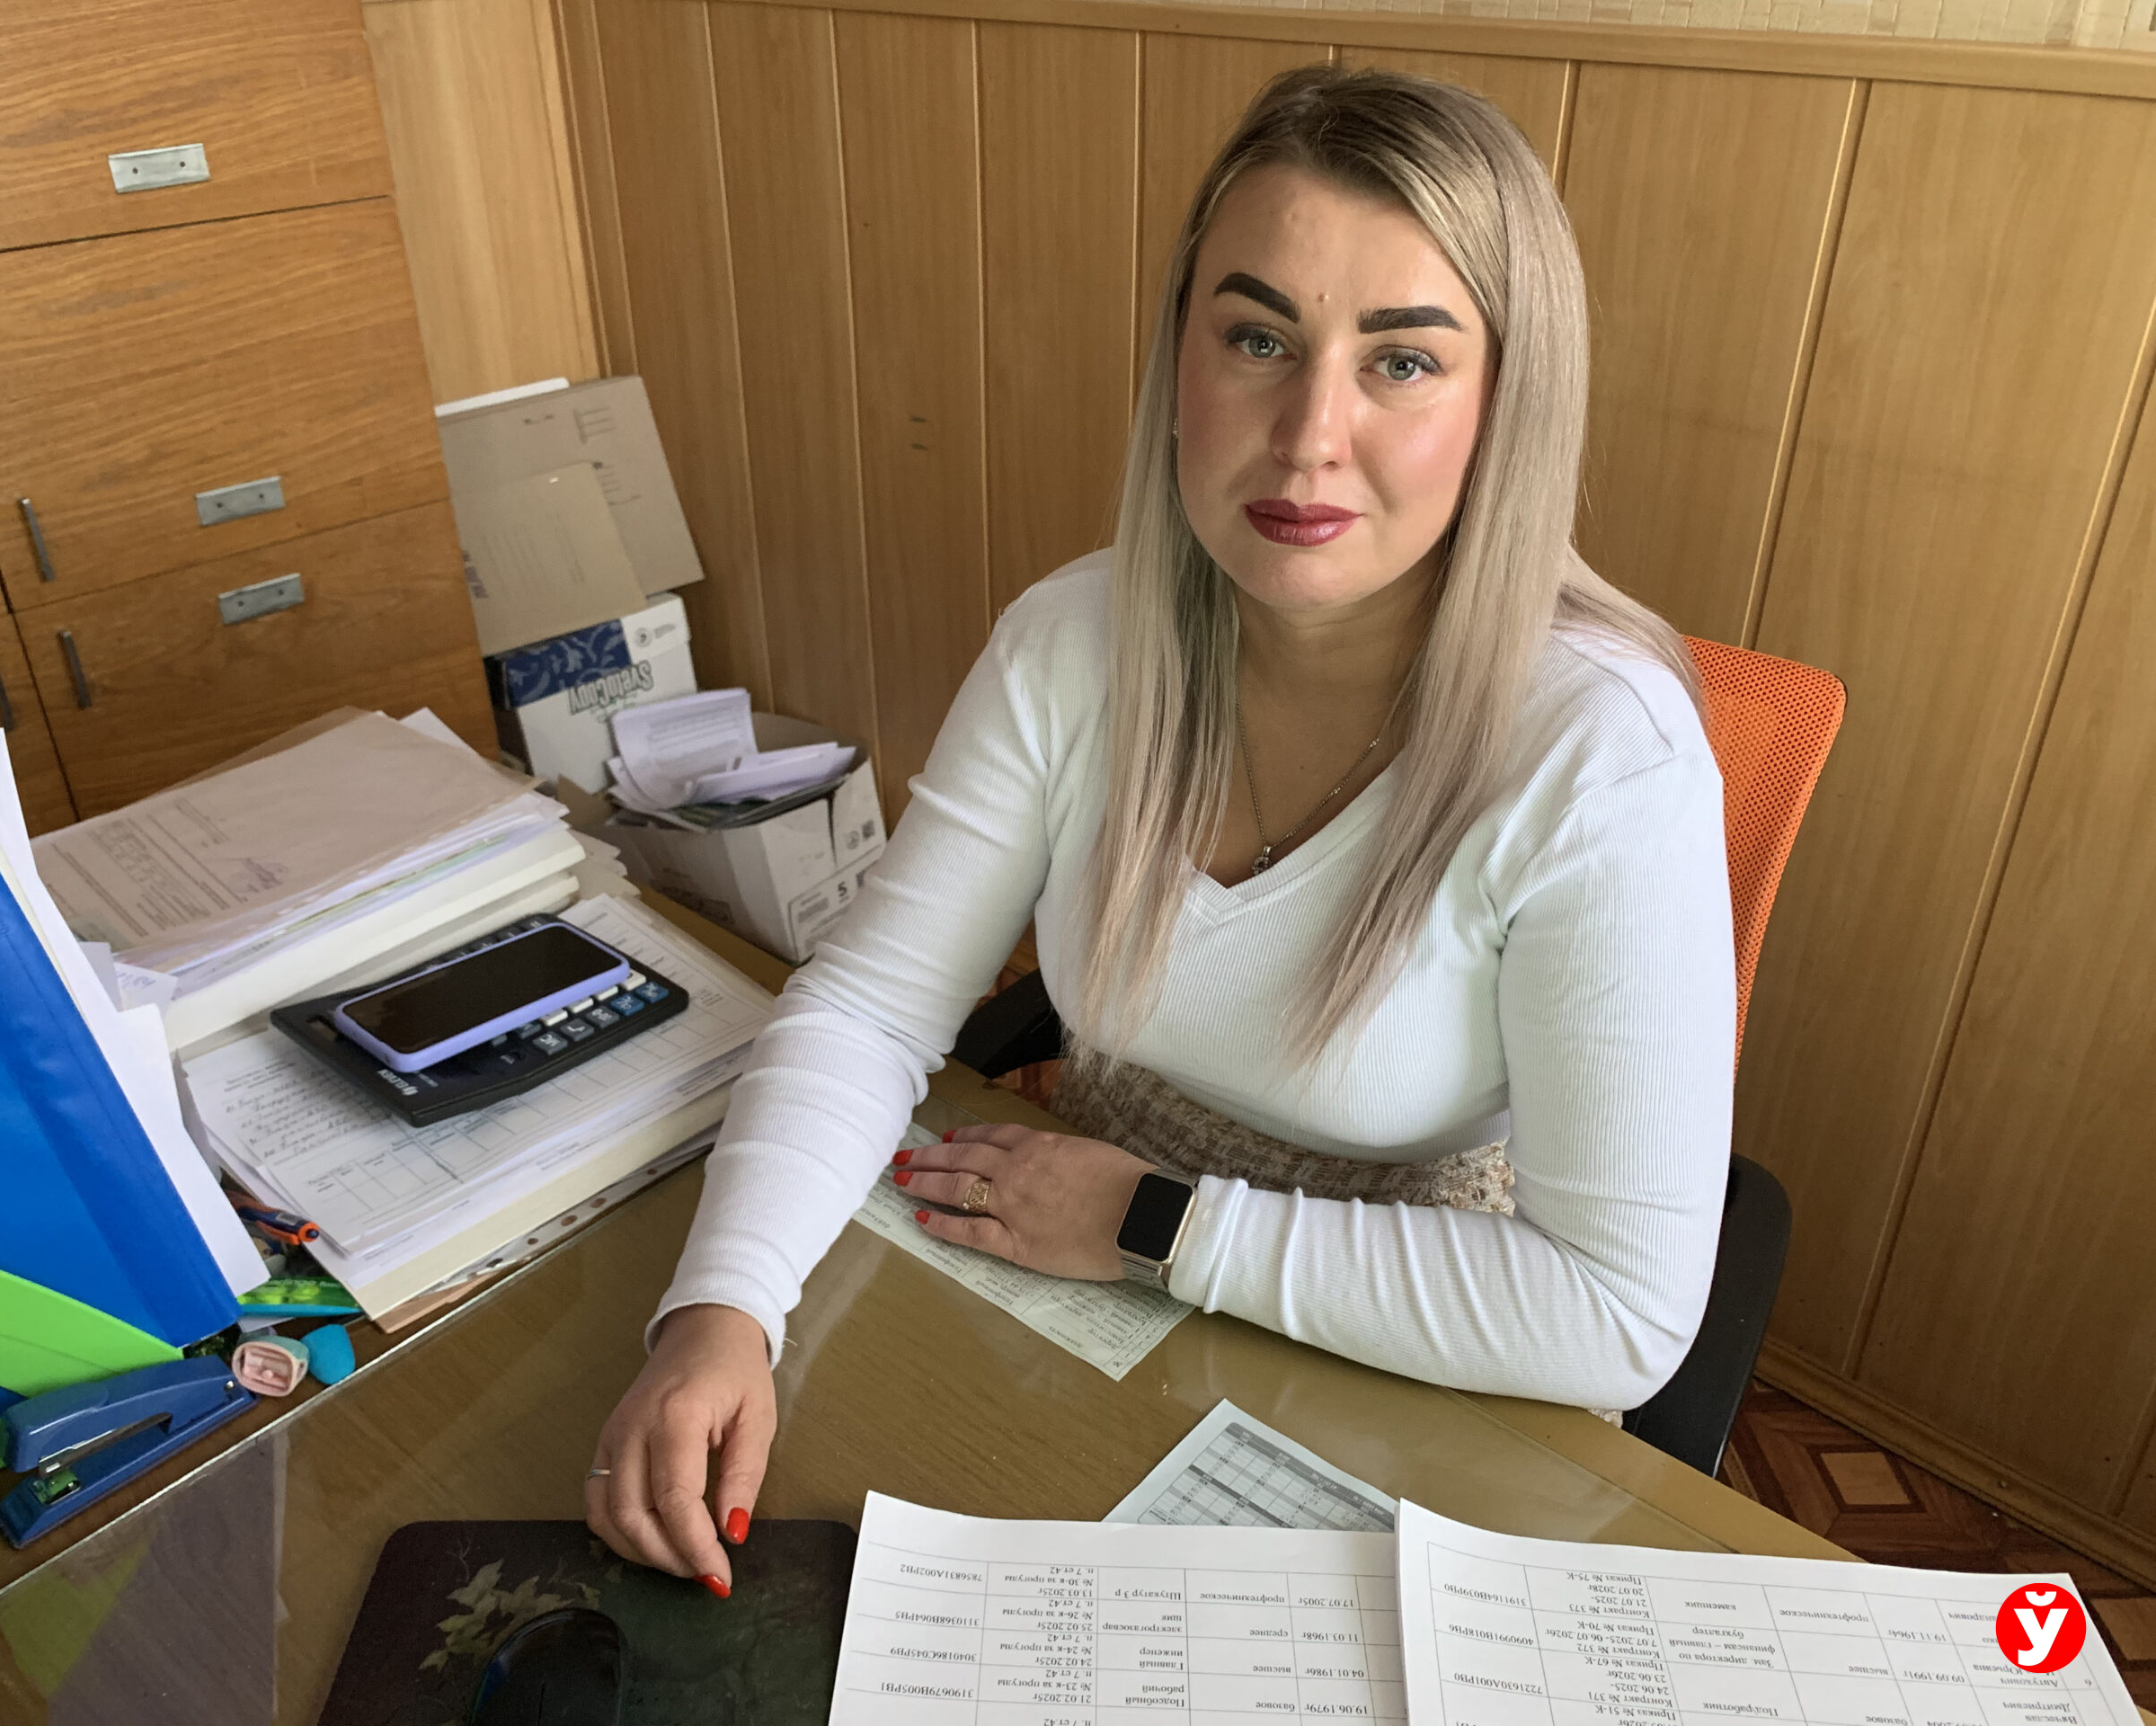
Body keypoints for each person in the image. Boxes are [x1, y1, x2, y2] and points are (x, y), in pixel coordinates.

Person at [586, 64, 1735, 1593]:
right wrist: (718, 1312)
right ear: (1179, 357)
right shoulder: (1075, 642)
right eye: (1258, 339)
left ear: (1505, 405)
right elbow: (870, 1006)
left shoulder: (1605, 755)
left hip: (1421, 1347)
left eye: (1402, 362)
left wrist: (1156, 1223)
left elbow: (1619, 1313)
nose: (1309, 436)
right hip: (1083, 1298)